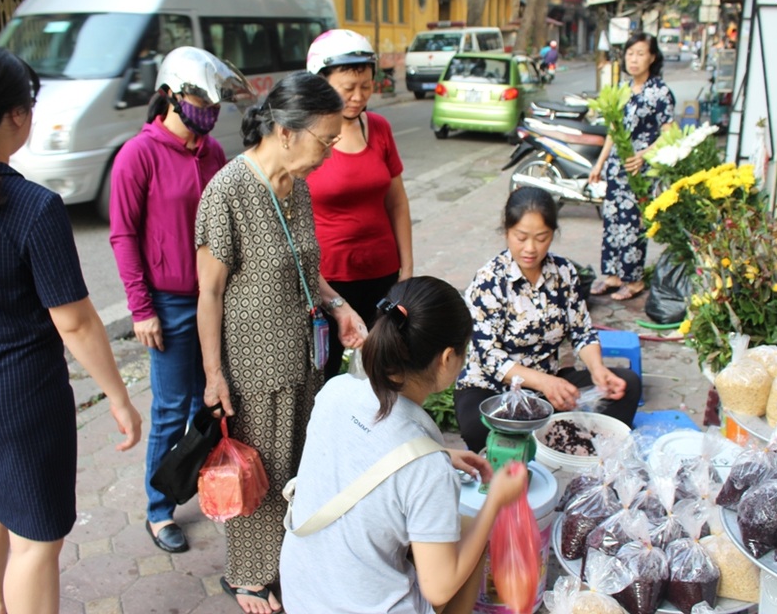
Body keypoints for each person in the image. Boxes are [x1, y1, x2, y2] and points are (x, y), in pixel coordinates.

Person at [0, 46, 141, 614]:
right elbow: (74, 321)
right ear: (19, 116)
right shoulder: (32, 207)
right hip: (19, 405)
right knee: (37, 540)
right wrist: (120, 398)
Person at [196, 71, 366, 614]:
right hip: (253, 363)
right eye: (326, 140)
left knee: (297, 465)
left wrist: (338, 305)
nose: (330, 153)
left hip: (305, 355)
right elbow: (210, 295)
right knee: (259, 468)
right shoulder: (227, 191)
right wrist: (213, 374)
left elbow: (306, 267)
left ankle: (289, 559)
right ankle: (247, 577)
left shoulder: (299, 184)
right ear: (287, 131)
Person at [279, 276, 527, 613]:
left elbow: (367, 444)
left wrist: (436, 453)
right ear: (448, 358)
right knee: (471, 529)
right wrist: (495, 501)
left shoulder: (335, 391)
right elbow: (439, 590)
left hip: (301, 597)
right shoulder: (427, 469)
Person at [109, 46, 247, 554]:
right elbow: (123, 237)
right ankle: (158, 509)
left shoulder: (211, 152)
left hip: (217, 298)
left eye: (212, 103)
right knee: (169, 409)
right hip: (167, 304)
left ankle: (194, 482)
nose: (206, 111)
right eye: (196, 98)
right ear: (169, 95)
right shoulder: (137, 155)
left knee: (204, 402)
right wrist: (140, 308)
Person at [454, 186, 641, 453]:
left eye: (541, 238)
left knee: (628, 385)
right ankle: (547, 442)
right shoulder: (489, 280)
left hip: (548, 389)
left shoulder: (564, 272)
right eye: (521, 237)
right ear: (507, 232)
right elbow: (489, 358)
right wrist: (544, 382)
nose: (530, 248)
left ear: (553, 234)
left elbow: (582, 332)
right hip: (492, 390)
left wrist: (598, 370)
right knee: (479, 426)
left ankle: (594, 458)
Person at [305, 29, 413, 380]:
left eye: (365, 86)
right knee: (326, 378)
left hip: (383, 275)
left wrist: (407, 270)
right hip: (330, 282)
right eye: (348, 88)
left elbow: (397, 202)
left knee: (381, 372)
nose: (358, 97)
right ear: (320, 82)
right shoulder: (306, 138)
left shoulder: (378, 128)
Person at [588, 31, 675, 301]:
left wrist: (645, 155)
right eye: (629, 54)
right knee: (613, 221)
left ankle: (634, 280)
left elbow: (669, 133)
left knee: (634, 224)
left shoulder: (660, 92)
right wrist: (599, 164)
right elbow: (614, 130)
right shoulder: (624, 89)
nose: (633, 59)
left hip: (640, 170)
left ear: (652, 57)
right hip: (617, 168)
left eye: (640, 53)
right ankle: (613, 275)